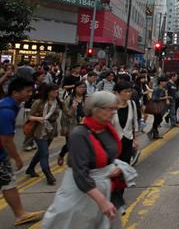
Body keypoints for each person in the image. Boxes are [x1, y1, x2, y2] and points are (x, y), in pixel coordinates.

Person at [41, 91, 128, 228]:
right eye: (110, 109)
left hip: (103, 189)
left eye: (115, 109)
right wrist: (102, 201)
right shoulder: (79, 135)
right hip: (81, 194)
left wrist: (114, 168)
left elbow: (109, 156)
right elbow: (80, 174)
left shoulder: (107, 128)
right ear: (96, 110)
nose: (114, 112)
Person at [0, 77, 45, 226]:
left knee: (8, 183)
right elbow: (6, 140)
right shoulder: (6, 111)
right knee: (8, 183)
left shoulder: (8, 105)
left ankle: (20, 214)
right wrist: (17, 158)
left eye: (31, 91)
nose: (30, 94)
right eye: (27, 91)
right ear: (15, 92)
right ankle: (20, 214)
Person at [26, 83, 61, 185]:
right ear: (48, 92)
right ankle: (48, 174)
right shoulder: (39, 103)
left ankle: (30, 169)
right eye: (55, 91)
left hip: (51, 130)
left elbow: (67, 113)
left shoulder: (58, 102)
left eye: (58, 91)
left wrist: (73, 108)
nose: (57, 92)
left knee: (41, 151)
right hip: (39, 131)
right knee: (45, 153)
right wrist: (39, 118)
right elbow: (29, 116)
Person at [58, 81, 87, 166]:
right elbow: (66, 114)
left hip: (83, 125)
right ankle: (62, 155)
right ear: (75, 88)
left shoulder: (87, 99)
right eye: (80, 87)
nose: (82, 89)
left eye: (84, 87)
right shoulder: (69, 99)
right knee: (70, 144)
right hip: (71, 125)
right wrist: (73, 109)